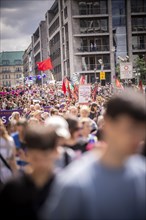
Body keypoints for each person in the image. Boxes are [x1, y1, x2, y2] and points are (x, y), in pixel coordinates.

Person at [41, 89, 146, 220]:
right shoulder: (75, 183)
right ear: (108, 123)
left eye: (141, 129)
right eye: (129, 128)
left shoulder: (142, 174)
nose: (137, 137)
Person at [0, 125, 61, 219]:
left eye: (46, 157)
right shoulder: (13, 187)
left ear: (57, 153)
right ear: (26, 154)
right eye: (36, 158)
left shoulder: (65, 185)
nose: (42, 164)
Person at [0, 119, 17, 184]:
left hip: (6, 174)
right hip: (7, 174)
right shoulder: (10, 140)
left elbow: (12, 159)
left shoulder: (9, 140)